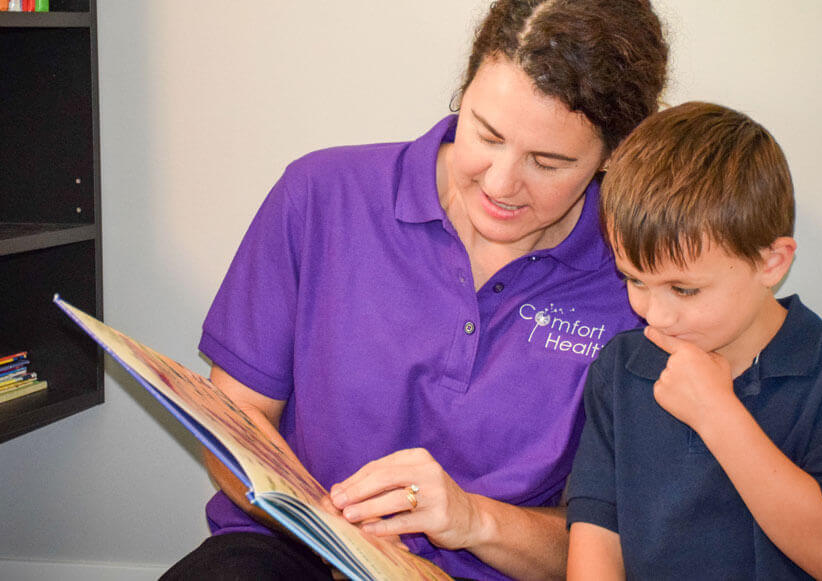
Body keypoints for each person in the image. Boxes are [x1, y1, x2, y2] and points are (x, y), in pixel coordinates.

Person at [161, 1, 669, 580]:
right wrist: (334, 535)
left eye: (548, 163)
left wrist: (473, 520)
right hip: (294, 548)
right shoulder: (321, 196)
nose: (501, 184)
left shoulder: (641, 280)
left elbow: (611, 549)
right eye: (486, 133)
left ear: (613, 157)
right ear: (462, 95)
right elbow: (236, 424)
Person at [565, 102, 822, 580]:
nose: (656, 314)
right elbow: (596, 536)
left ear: (772, 263)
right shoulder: (622, 367)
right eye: (635, 280)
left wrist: (717, 412)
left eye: (685, 289)